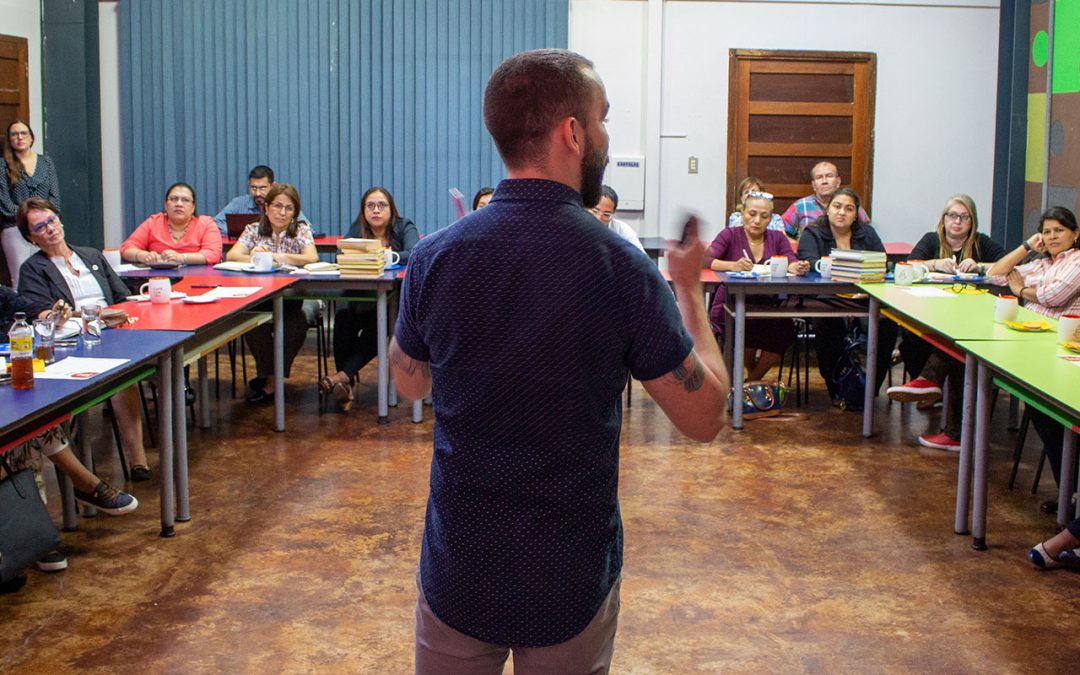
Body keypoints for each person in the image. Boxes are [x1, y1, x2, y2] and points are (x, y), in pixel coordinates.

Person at [390, 48, 728, 672]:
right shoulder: (621, 268)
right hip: (567, 575)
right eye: (602, 120)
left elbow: (408, 383)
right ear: (571, 132)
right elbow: (705, 415)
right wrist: (689, 288)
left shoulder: (435, 257)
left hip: (459, 565)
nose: (605, 136)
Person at [15, 197, 152, 481]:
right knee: (120, 375)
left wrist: (117, 314)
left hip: (116, 333)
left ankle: (139, 461)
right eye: (40, 226)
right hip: (75, 342)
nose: (50, 229)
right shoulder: (33, 270)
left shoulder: (90, 255)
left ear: (60, 220)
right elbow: (41, 316)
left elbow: (120, 297)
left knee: (130, 370)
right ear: (31, 237)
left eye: (52, 220)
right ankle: (120, 462)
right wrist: (82, 315)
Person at [886, 195, 1007, 451]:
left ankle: (930, 384)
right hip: (930, 311)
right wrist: (933, 264)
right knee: (913, 339)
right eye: (952, 215)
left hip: (971, 314)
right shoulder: (932, 240)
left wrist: (981, 266)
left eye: (964, 217)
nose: (957, 222)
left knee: (958, 345)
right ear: (943, 219)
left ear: (972, 222)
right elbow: (907, 264)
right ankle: (931, 388)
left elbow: (1006, 264)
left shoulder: (981, 243)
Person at [985, 206, 1080, 506]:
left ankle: (1071, 495)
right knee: (1041, 413)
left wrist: (1022, 289)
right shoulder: (1041, 263)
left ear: (1075, 234)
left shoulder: (1077, 261)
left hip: (1061, 347)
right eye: (1047, 232)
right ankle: (1069, 493)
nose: (1052, 237)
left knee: (1053, 417)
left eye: (1059, 231)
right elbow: (995, 275)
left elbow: (1054, 297)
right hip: (1030, 341)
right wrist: (1026, 246)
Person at [797, 188, 897, 406]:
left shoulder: (867, 234)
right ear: (828, 209)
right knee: (826, 324)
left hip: (864, 299)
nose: (841, 212)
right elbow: (809, 260)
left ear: (856, 214)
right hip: (827, 299)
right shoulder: (812, 233)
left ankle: (869, 390)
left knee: (887, 326)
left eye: (848, 208)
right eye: (837, 206)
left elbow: (880, 262)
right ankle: (837, 389)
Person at [320, 187, 418, 410]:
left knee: (380, 324)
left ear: (391, 209)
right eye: (370, 206)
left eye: (381, 205)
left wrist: (387, 256)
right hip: (359, 298)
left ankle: (341, 377)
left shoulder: (404, 226)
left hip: (393, 302)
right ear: (363, 210)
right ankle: (347, 386)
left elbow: (414, 253)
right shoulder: (357, 228)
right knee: (343, 317)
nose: (376, 210)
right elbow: (341, 255)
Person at [225, 183, 318, 403]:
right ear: (267, 208)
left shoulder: (301, 229)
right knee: (252, 323)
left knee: (295, 322)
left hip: (294, 298)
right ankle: (269, 377)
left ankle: (272, 380)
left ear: (295, 212)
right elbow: (232, 256)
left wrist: (279, 257)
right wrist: (255, 256)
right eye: (278, 206)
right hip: (261, 298)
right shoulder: (253, 229)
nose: (282, 213)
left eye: (289, 208)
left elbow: (311, 258)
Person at [706, 190, 810, 380]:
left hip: (767, 304)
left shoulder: (777, 238)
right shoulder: (730, 234)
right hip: (731, 304)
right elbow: (705, 259)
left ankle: (751, 381)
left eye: (764, 216)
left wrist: (798, 267)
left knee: (784, 332)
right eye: (752, 214)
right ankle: (749, 387)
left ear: (770, 219)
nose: (757, 220)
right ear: (742, 213)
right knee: (743, 331)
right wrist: (732, 265)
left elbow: (790, 260)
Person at [1, 120, 60, 288]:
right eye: (14, 134)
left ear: (31, 138)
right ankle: (24, 314)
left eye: (23, 133)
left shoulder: (46, 163)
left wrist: (47, 221)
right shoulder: (3, 166)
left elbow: (55, 197)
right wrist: (30, 219)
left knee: (50, 274)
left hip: (47, 228)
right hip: (14, 229)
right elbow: (4, 203)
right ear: (10, 140)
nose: (20, 137)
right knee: (20, 278)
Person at [120, 182, 223, 265]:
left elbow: (214, 254)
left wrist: (182, 258)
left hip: (197, 279)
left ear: (193, 207)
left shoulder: (206, 224)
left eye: (185, 200)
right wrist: (143, 255)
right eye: (174, 199)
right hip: (157, 278)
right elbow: (126, 249)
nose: (179, 204)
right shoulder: (153, 222)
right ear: (166, 205)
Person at [211, 165, 312, 238]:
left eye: (262, 188)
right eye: (253, 188)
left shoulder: (283, 204)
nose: (257, 193)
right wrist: (247, 233)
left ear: (273, 186)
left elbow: (308, 229)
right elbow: (214, 224)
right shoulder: (239, 203)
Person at [781, 161, 869, 238]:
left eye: (829, 176)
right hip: (809, 255)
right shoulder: (800, 206)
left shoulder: (850, 206)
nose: (824, 181)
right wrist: (797, 246)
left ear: (838, 182)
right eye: (819, 177)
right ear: (814, 185)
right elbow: (779, 232)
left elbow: (868, 234)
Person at [587, 184, 645, 252]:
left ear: (613, 213)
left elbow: (641, 258)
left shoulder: (622, 231)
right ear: (586, 208)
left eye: (606, 215)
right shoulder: (575, 227)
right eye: (595, 211)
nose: (599, 218)